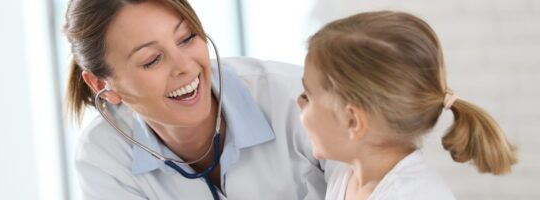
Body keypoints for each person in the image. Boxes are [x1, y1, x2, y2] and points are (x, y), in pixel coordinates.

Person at [63, 0, 329, 199]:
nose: (185, 66)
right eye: (152, 60)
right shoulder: (105, 156)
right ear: (102, 85)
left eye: (187, 38)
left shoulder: (301, 100)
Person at [296, 11, 518, 200]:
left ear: (353, 121)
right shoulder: (346, 176)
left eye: (308, 96)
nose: (298, 102)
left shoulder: (413, 194)